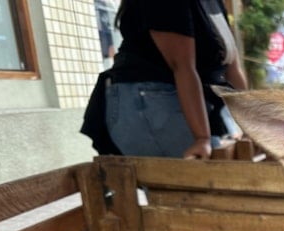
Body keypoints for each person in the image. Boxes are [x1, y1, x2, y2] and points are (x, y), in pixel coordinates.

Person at [81, 0, 248, 159]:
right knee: (212, 171)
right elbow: (182, 67)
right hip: (146, 98)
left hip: (193, 99)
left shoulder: (214, 3)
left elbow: (232, 69)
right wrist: (202, 138)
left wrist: (255, 126)